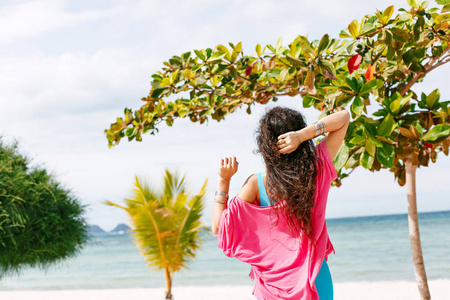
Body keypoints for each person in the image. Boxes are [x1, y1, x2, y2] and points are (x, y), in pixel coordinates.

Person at [211, 106, 350, 300]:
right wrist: (301, 136)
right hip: (315, 279)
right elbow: (343, 118)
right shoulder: (316, 169)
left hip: (273, 288)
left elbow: (219, 227)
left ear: (265, 145)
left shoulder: (257, 184)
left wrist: (224, 180)